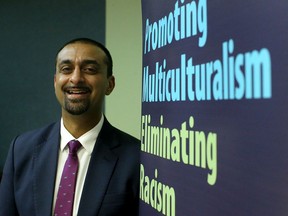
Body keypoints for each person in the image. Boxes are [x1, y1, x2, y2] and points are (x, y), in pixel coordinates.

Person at [0, 38, 140, 216]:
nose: (75, 78)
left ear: (109, 84)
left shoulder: (136, 157)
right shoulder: (20, 150)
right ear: (55, 81)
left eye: (89, 69)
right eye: (66, 69)